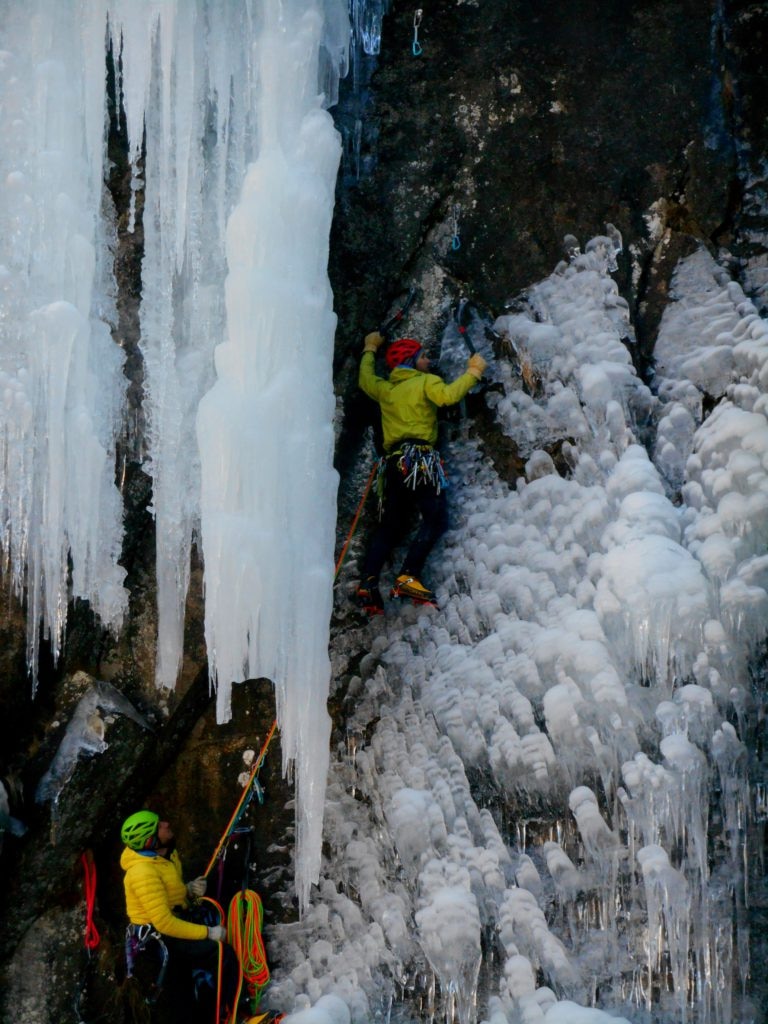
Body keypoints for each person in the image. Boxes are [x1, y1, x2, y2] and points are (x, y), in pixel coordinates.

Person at [357, 331, 486, 611]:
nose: (428, 361)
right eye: (423, 356)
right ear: (411, 361)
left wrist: (370, 348)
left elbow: (365, 379)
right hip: (420, 460)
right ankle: (408, 575)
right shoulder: (426, 382)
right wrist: (473, 372)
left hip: (393, 465)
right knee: (436, 519)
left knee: (390, 526)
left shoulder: (386, 390)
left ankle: (368, 583)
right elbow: (448, 397)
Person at [120, 810, 240, 1023]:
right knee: (221, 955)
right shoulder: (142, 873)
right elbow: (164, 923)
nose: (166, 824)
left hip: (173, 925)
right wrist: (208, 932)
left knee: (185, 987)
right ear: (150, 841)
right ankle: (226, 1015)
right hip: (159, 939)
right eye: (159, 826)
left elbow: (167, 894)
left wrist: (188, 890)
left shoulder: (166, 855)